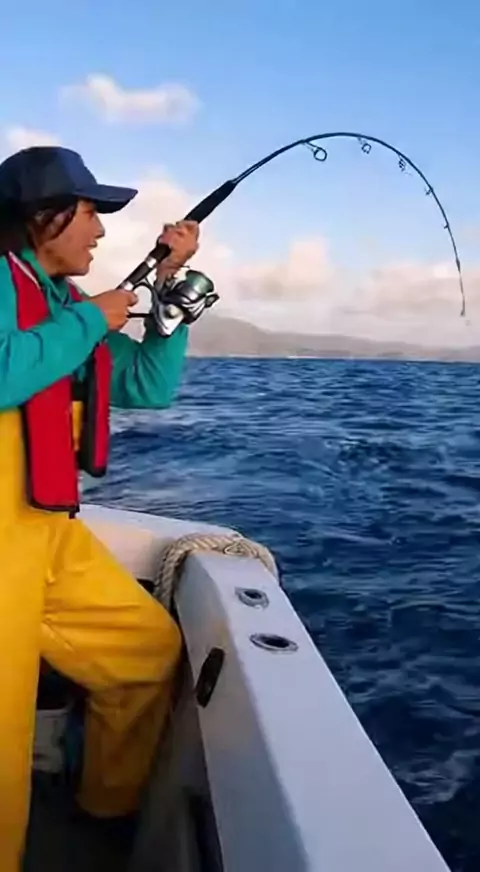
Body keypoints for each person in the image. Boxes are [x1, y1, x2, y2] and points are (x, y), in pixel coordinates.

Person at [0, 145, 200, 871]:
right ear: (42, 217)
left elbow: (147, 387)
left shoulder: (62, 306)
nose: (101, 230)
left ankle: (104, 811)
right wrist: (91, 321)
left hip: (46, 532)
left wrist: (168, 300)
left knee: (146, 655)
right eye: (89, 212)